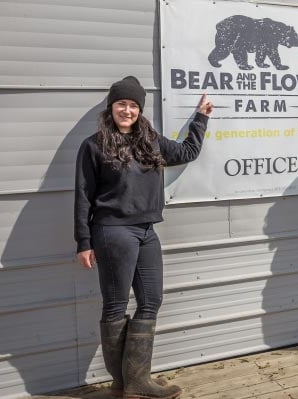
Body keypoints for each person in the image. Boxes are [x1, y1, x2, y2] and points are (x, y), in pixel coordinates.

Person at [74, 76, 213, 399]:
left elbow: (187, 151)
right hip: (112, 232)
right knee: (116, 305)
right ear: (111, 108)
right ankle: (124, 384)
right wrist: (83, 241)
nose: (127, 110)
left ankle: (135, 381)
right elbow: (83, 195)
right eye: (122, 104)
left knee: (151, 301)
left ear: (140, 110)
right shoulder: (93, 146)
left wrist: (201, 118)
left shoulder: (149, 141)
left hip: (147, 231)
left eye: (133, 105)